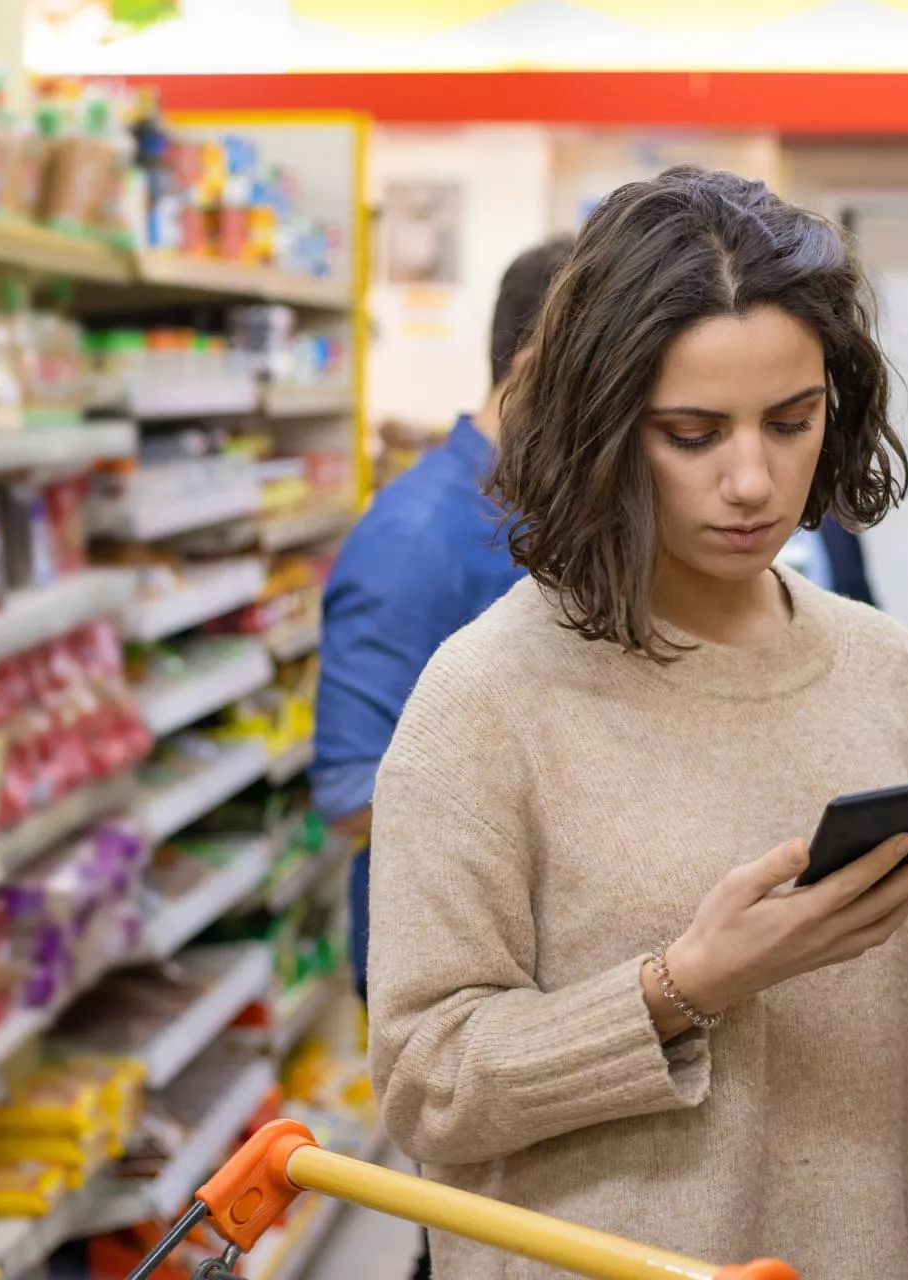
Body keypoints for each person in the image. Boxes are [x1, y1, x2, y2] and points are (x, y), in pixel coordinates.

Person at [366, 167, 908, 1280]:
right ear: (603, 425)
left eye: (792, 420)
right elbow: (428, 1082)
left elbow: (895, 1029)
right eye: (692, 431)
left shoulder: (881, 667)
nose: (753, 480)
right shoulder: (485, 699)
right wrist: (685, 985)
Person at [310, 237, 569, 1280]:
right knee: (470, 1236)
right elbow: (345, 789)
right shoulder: (413, 535)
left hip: (544, 970)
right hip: (447, 971)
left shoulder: (548, 506)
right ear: (536, 361)